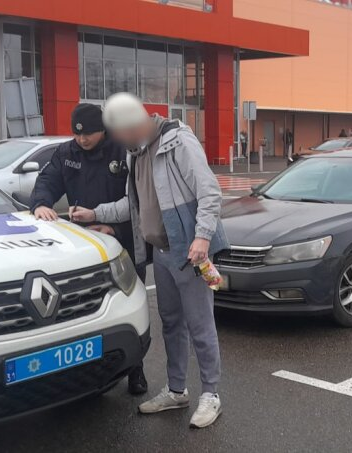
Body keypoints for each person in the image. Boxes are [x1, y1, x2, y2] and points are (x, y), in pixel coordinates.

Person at [71, 93, 228, 429]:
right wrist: (95, 213)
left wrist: (201, 238)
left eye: (119, 132)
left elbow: (210, 192)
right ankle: (176, 390)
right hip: (162, 252)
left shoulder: (178, 142)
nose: (117, 141)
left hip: (190, 252)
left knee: (200, 324)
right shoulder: (135, 154)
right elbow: (134, 206)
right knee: (170, 322)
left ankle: (211, 394)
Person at [29, 104, 149, 395]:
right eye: (77, 134)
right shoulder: (67, 153)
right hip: (85, 250)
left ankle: (136, 371)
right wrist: (41, 203)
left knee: (129, 312)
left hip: (125, 246)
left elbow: (141, 201)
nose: (82, 140)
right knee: (84, 314)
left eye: (90, 134)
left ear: (103, 130)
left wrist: (114, 230)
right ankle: (84, 376)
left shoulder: (123, 152)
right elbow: (47, 181)